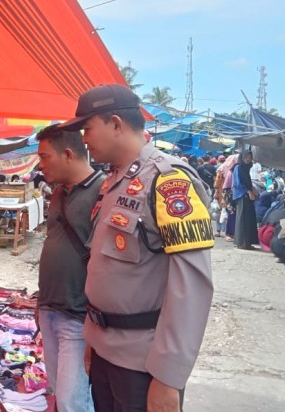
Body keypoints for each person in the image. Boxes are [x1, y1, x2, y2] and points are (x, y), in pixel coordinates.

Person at [60, 84, 214, 412]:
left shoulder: (169, 181)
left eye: (87, 128)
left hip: (142, 363)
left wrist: (169, 377)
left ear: (116, 124)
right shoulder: (113, 181)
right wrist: (94, 338)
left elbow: (192, 287)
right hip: (105, 351)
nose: (83, 139)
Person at [36, 125, 103, 412]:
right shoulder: (59, 192)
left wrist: (94, 322)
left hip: (77, 317)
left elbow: (106, 264)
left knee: (71, 401)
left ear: (67, 154)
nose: (40, 164)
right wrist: (40, 301)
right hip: (50, 308)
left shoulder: (103, 192)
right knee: (59, 393)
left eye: (45, 156)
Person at [232, 150, 259, 250]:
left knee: (249, 219)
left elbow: (247, 181)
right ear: (242, 157)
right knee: (242, 219)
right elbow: (238, 183)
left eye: (250, 157)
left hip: (247, 195)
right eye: (246, 157)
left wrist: (252, 189)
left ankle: (248, 242)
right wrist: (248, 191)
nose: (248, 159)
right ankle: (242, 243)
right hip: (241, 195)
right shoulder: (238, 167)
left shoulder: (246, 168)